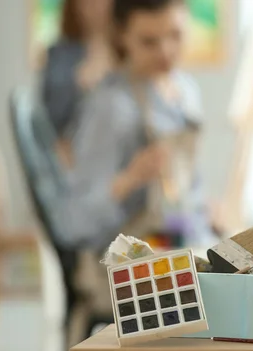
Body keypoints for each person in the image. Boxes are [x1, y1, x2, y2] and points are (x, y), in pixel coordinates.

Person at [48, 0, 214, 254]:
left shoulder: (187, 92)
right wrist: (128, 180)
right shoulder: (110, 106)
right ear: (122, 36)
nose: (166, 51)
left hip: (181, 246)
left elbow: (191, 194)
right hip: (126, 267)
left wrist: (206, 218)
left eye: (176, 35)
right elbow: (73, 221)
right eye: (149, 41)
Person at [42, 0, 116, 167]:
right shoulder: (60, 57)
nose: (98, 6)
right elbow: (51, 121)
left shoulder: (130, 55)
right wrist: (78, 83)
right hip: (72, 157)